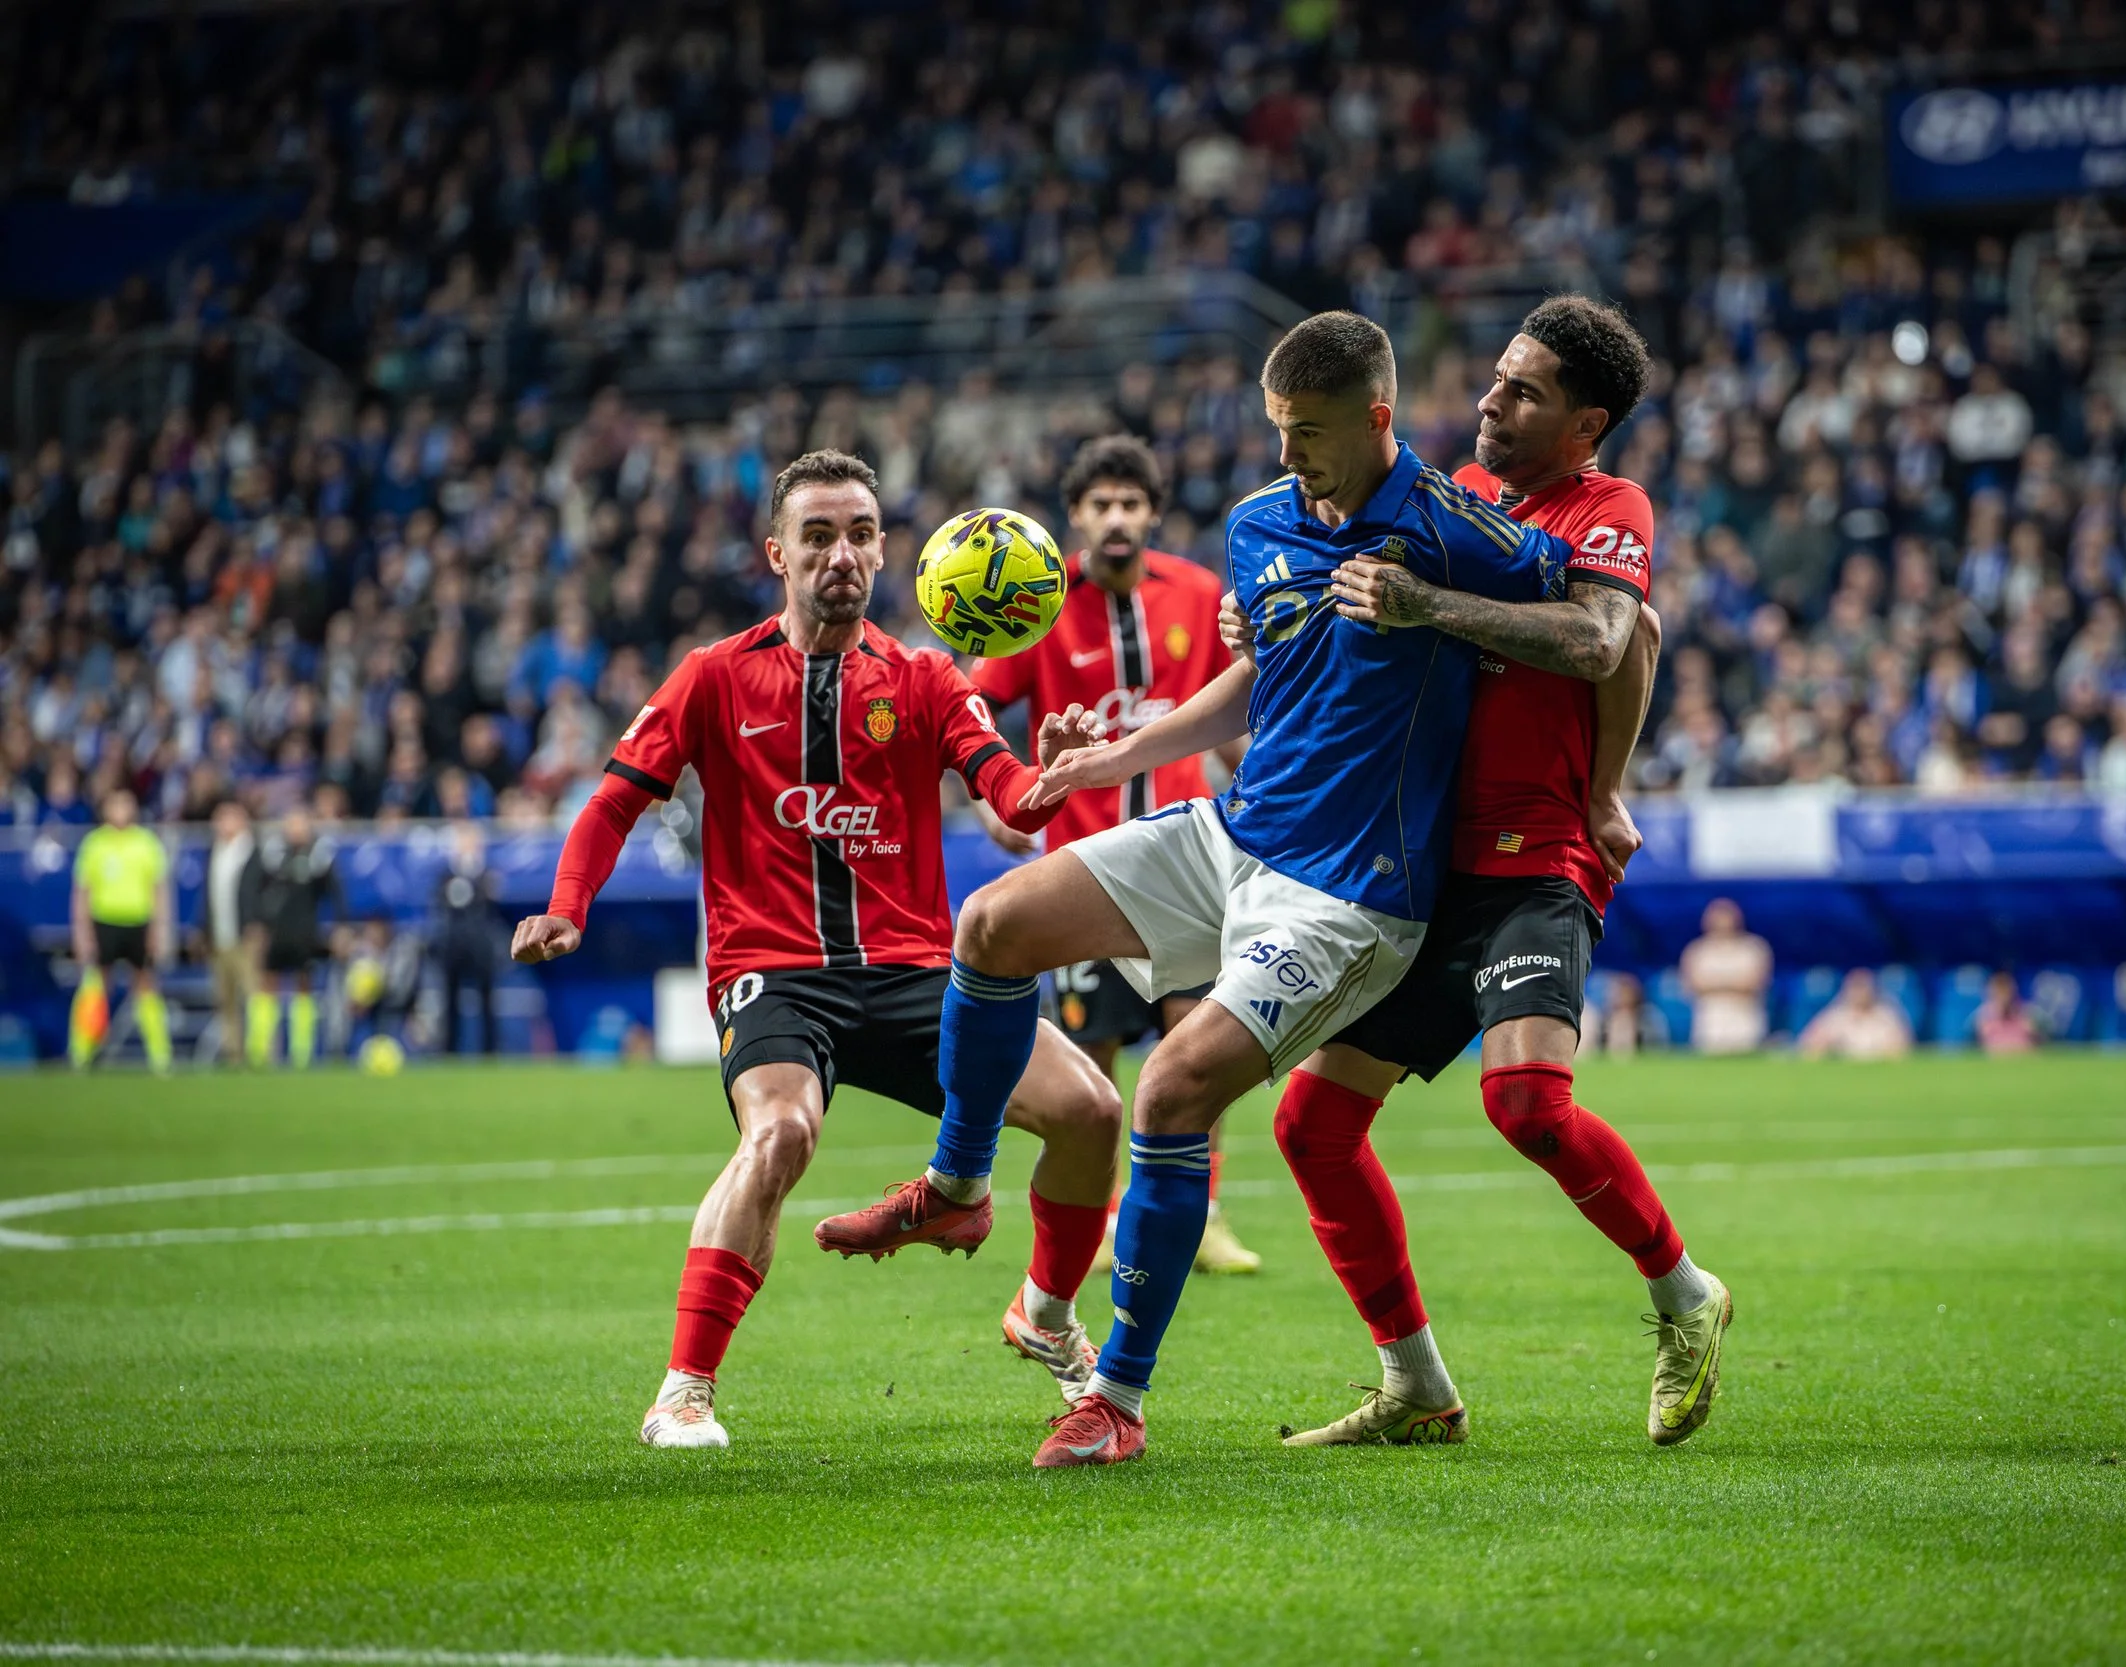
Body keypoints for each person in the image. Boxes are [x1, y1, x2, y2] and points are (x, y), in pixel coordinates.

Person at [817, 312, 1571, 1467]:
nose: (1286, 457)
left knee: (1169, 1091)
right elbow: (1259, 681)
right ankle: (961, 1185)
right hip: (1232, 833)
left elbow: (1597, 630)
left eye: (1308, 433)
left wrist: (1580, 771)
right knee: (994, 922)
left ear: (1376, 415)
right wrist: (1110, 761)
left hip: (1348, 893)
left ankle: (1113, 1395)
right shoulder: (1259, 525)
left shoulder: (1453, 527)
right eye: (1276, 431)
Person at [508, 449, 1125, 1451]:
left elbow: (1006, 794)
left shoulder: (925, 676)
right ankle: (683, 1389)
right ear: (777, 554)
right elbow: (617, 795)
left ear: (884, 548)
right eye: (818, 536)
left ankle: (1044, 1314)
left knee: (1092, 1111)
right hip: (776, 973)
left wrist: (1053, 774)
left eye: (860, 533)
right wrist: (568, 902)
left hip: (920, 971)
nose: (842, 553)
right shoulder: (714, 675)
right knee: (779, 1135)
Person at [1243, 295, 1732, 1451]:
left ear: (1586, 422)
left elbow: (1611, 639)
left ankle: (1685, 1294)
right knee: (1312, 1124)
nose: (1490, 401)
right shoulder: (1457, 495)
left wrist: (1598, 787)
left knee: (1522, 1099)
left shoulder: (1608, 506)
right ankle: (1415, 1383)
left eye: (1523, 391)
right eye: (1495, 379)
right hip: (1421, 858)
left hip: (1532, 852)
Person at [968, 435, 1263, 1279]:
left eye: (1132, 502)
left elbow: (1232, 716)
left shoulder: (1202, 595)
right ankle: (1097, 1222)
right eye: (1101, 504)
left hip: (1192, 865)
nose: (1117, 517)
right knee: (1090, 1061)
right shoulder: (1040, 603)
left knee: (1200, 1045)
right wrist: (1004, 799)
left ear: (1154, 513)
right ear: (1077, 518)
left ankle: (1202, 1217)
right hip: (1086, 870)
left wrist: (1269, 793)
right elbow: (977, 706)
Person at [67, 787, 173, 1072]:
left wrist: (159, 930)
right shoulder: (95, 843)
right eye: (116, 804)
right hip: (104, 922)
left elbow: (159, 890)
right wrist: (82, 933)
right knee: (96, 986)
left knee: (146, 984)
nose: (121, 810)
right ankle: (82, 1050)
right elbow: (82, 892)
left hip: (139, 922)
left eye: (127, 804)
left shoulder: (146, 842)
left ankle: (160, 1055)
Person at [248, 807, 346, 1068]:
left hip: (305, 932)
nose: (296, 829)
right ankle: (259, 1050)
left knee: (304, 986)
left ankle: (301, 1052)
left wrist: (340, 927)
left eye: (301, 823)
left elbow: (336, 894)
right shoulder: (274, 855)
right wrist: (258, 925)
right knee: (268, 985)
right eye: (292, 823)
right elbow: (256, 891)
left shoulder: (318, 856)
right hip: (276, 932)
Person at [435, 821, 508, 1055]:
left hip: (480, 946)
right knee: (450, 1001)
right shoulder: (446, 875)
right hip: (454, 946)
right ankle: (450, 1051)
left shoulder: (487, 875)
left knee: (487, 1001)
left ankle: (490, 1051)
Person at [201, 798, 262, 1065]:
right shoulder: (213, 852)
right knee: (224, 1000)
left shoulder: (254, 853)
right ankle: (233, 1053)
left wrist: (258, 926)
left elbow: (262, 895)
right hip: (219, 937)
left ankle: (261, 1052)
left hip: (246, 937)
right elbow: (208, 896)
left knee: (255, 996)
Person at [1680, 897, 1772, 1055]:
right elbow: (1693, 984)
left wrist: (1714, 983)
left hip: (1746, 1024)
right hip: (1710, 1025)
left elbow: (1754, 983)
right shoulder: (1696, 951)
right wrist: (1733, 982)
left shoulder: (1754, 948)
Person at [1797, 968, 1913, 1060]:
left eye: (1863, 987)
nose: (1859, 993)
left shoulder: (1887, 1014)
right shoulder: (1836, 1015)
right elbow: (1809, 1046)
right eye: (1855, 987)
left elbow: (1902, 1049)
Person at [1972, 970, 2039, 1054]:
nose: (2003, 995)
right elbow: (1981, 1038)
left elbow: (2034, 1036)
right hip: (1995, 1057)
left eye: (2006, 991)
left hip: (2022, 1056)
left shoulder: (2025, 1010)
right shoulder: (1984, 1013)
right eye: (1999, 991)